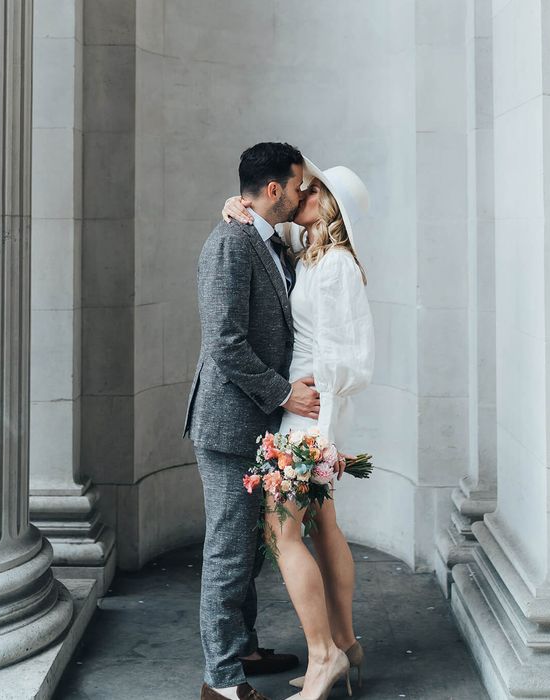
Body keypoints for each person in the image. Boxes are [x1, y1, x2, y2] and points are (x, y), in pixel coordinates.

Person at [222, 157, 374, 700]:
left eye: (314, 189)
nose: (302, 191)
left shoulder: (334, 265)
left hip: (311, 412)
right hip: (302, 407)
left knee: (282, 533)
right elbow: (268, 208)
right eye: (302, 184)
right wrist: (236, 203)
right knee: (321, 526)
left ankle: (324, 656)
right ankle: (346, 643)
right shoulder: (308, 254)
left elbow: (357, 356)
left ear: (329, 205)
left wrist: (319, 391)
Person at [184, 142, 323, 700]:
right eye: (297, 186)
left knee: (249, 543)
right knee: (229, 550)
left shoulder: (267, 238)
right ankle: (220, 679)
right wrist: (284, 394)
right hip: (227, 422)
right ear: (273, 190)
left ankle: (243, 645)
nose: (302, 194)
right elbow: (224, 341)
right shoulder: (230, 243)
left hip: (255, 420)